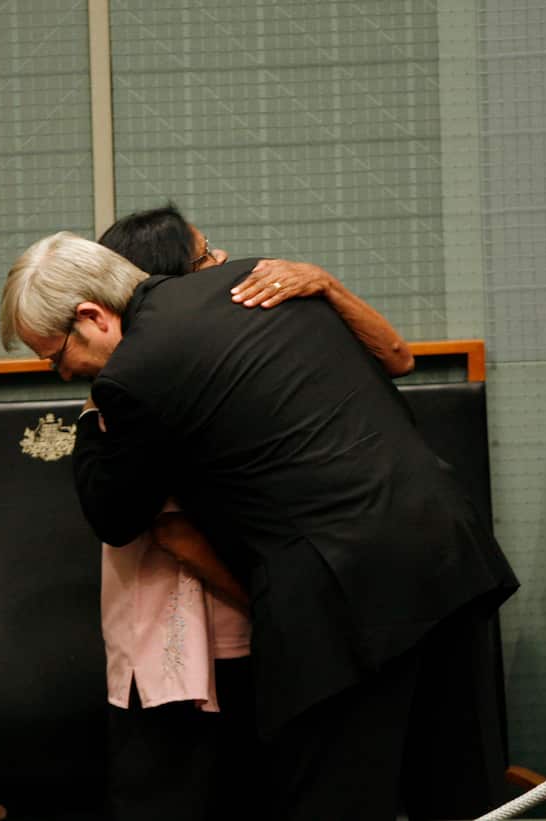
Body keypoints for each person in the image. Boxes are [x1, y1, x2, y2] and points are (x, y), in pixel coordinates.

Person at [0, 231, 518, 820]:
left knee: (335, 800)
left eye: (57, 356)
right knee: (458, 790)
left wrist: (96, 411)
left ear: (93, 316)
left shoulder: (134, 375)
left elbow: (115, 517)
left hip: (341, 596)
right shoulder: (259, 280)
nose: (64, 373)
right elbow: (394, 362)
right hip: (447, 548)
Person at [93, 203, 414, 821]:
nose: (224, 265)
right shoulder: (142, 379)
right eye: (206, 257)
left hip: (275, 614)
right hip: (199, 628)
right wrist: (275, 608)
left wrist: (324, 281)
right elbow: (174, 533)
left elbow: (398, 359)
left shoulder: (253, 350)